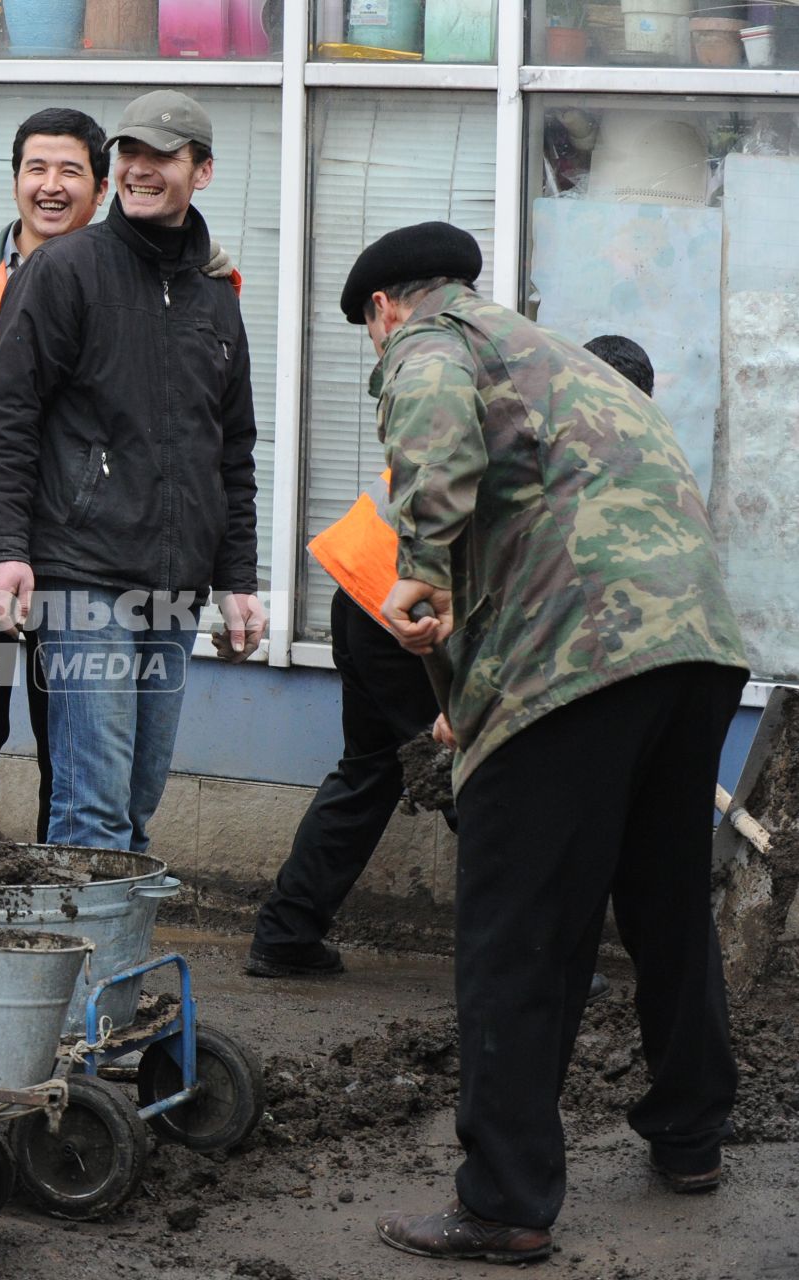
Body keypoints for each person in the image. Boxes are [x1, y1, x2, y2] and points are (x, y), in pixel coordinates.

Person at [340, 222, 748, 1262]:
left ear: (384, 307)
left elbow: (430, 429)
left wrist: (421, 563)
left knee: (515, 923)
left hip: (577, 653)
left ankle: (504, 1198)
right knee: (662, 895)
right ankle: (689, 1131)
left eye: (369, 335)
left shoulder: (429, 340)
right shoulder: (552, 355)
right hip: (690, 642)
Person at [0, 108, 243, 841]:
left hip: (74, 554)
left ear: (100, 189)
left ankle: (47, 887)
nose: (50, 185)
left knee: (68, 743)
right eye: (35, 169)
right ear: (14, 182)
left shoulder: (159, 281)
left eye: (70, 170)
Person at [244, 332, 658, 985]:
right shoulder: (545, 444)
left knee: (373, 769)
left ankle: (286, 932)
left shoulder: (520, 409)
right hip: (406, 608)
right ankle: (535, 957)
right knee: (486, 782)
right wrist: (475, 689)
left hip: (363, 590)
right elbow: (506, 577)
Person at [0, 89, 266, 853]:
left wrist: (238, 582)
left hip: (173, 585)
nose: (138, 170)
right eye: (129, 154)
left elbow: (231, 451)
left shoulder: (215, 299)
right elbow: (7, 419)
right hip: (81, 572)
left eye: (161, 156)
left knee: (135, 803)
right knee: (94, 807)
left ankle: (116, 976)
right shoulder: (66, 271)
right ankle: (80, 974)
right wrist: (3, 553)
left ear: (201, 171)